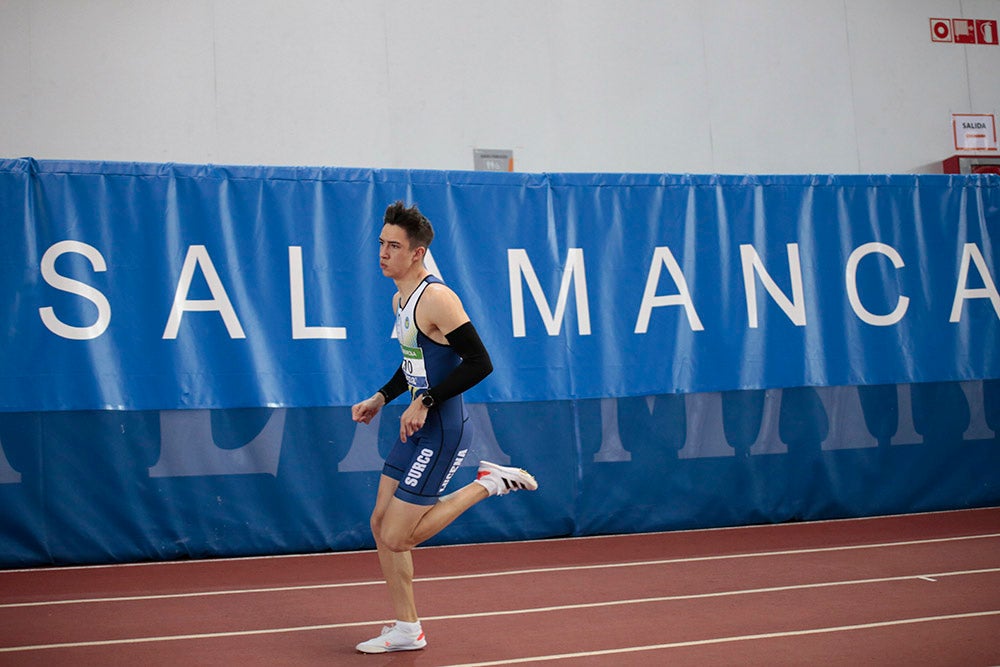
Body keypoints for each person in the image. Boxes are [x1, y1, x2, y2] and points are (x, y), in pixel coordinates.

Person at [351, 201, 538, 654]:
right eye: (381, 243)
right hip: (416, 428)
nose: (383, 253)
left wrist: (427, 401)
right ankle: (406, 628)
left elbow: (480, 362)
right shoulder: (400, 297)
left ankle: (489, 483)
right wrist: (382, 396)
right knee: (380, 525)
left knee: (399, 534)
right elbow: (413, 363)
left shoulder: (438, 298)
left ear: (417, 254)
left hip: (443, 432)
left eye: (394, 247)